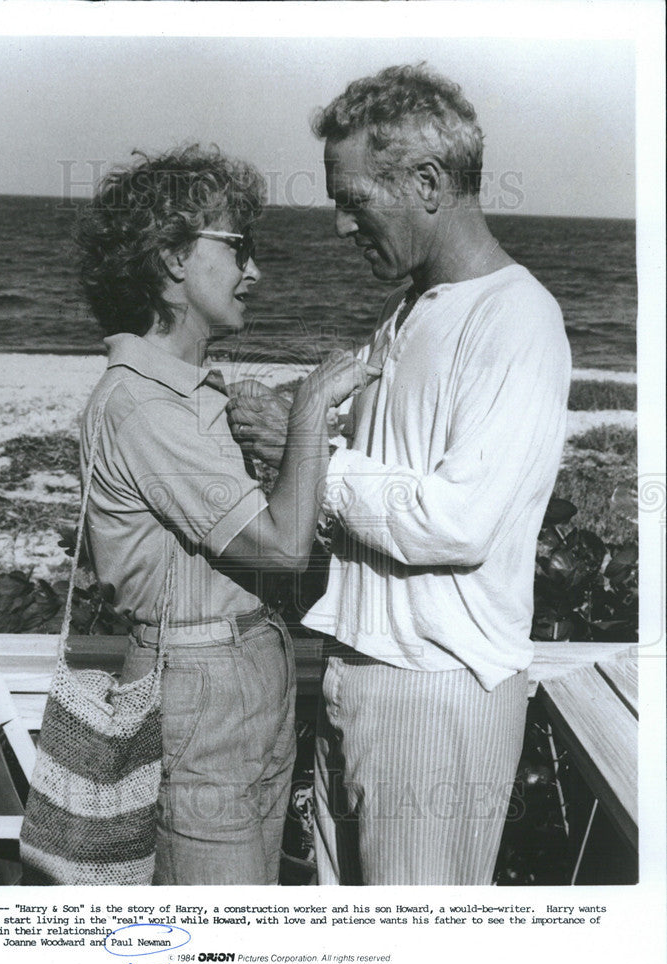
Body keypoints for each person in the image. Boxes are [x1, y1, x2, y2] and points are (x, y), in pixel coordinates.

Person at [227, 64, 572, 885]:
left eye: (353, 200)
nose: (342, 225)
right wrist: (289, 445)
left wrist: (307, 451)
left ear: (426, 182)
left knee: (418, 957)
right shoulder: (408, 314)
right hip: (362, 668)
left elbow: (454, 522)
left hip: (437, 687)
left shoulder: (516, 318)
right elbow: (364, 489)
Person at [74, 145, 376, 886]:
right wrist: (308, 412)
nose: (255, 272)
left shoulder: (184, 397)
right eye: (237, 248)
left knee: (249, 911)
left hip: (242, 667)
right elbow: (276, 551)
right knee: (221, 932)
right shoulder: (142, 404)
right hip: (201, 684)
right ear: (172, 258)